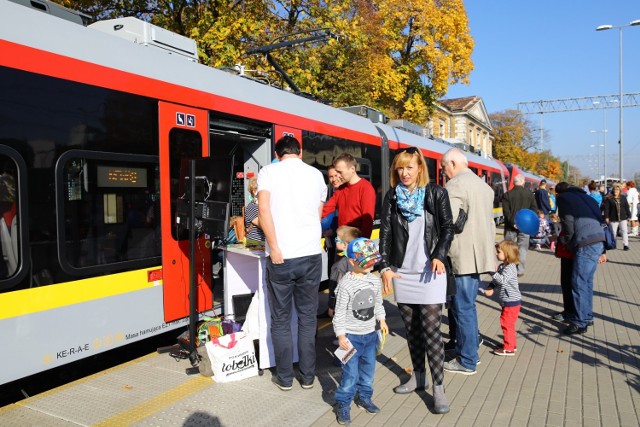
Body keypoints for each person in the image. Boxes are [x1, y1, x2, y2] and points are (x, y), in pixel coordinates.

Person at [379, 147, 454, 413]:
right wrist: (385, 266)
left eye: (409, 167)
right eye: (400, 167)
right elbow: (385, 233)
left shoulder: (436, 194)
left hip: (431, 272)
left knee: (431, 331)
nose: (404, 173)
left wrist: (439, 255)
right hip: (404, 272)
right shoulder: (392, 197)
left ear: (420, 167)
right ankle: (418, 377)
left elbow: (447, 228)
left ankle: (439, 388)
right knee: (412, 331)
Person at [257, 136, 327, 391]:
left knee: (281, 318)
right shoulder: (316, 175)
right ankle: (308, 377)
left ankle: (285, 377)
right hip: (310, 255)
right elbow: (318, 213)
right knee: (308, 318)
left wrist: (274, 246)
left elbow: (263, 210)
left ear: (277, 153)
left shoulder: (268, 172)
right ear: (300, 152)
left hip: (281, 257)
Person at [441, 148, 495, 376]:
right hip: (478, 255)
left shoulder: (455, 185)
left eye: (444, 167)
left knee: (462, 307)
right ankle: (469, 350)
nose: (444, 173)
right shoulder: (483, 186)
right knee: (468, 306)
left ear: (453, 163)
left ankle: (467, 360)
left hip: (462, 255)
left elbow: (448, 222)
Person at [333, 238, 388, 425]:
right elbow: (338, 313)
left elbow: (378, 303)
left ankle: (364, 397)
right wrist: (340, 335)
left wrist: (382, 319)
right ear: (351, 262)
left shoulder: (374, 280)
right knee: (350, 374)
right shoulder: (345, 285)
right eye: (365, 261)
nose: (370, 265)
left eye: (372, 261)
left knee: (368, 372)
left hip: (371, 336)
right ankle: (343, 403)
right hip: (350, 339)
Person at [555, 182, 607, 334]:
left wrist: (568, 242)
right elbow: (599, 219)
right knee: (587, 282)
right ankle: (587, 316)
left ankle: (580, 321)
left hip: (584, 242)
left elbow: (567, 222)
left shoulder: (564, 198)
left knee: (578, 282)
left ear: (559, 193)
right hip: (598, 239)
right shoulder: (589, 198)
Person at [322, 153, 376, 238]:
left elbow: (367, 222)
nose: (338, 176)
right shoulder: (341, 189)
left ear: (352, 169)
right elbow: (326, 209)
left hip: (356, 244)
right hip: (342, 243)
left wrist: (361, 245)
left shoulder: (366, 188)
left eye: (340, 172)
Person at [484, 240, 521, 356]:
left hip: (512, 301)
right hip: (507, 301)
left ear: (507, 254)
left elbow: (502, 280)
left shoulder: (511, 268)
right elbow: (497, 280)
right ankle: (511, 344)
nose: (496, 254)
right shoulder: (502, 266)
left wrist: (491, 272)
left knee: (506, 323)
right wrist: (491, 286)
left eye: (498, 252)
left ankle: (509, 348)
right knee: (509, 324)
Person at [501, 174, 538, 276]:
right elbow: (534, 211)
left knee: (509, 248)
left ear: (513, 182)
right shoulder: (530, 195)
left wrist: (513, 223)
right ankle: (520, 270)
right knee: (522, 248)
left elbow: (506, 212)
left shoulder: (507, 195)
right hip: (525, 227)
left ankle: (509, 269)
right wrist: (524, 223)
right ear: (523, 182)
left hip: (510, 226)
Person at [325, 225, 361, 319]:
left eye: (336, 239)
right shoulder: (359, 260)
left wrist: (331, 306)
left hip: (343, 306)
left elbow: (334, 286)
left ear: (344, 244)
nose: (334, 241)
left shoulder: (339, 265)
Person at [602, 183, 631, 251]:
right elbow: (606, 208)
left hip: (622, 217)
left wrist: (629, 215)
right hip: (613, 218)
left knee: (624, 231)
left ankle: (625, 245)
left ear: (620, 191)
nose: (616, 192)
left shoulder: (623, 198)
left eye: (617, 190)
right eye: (615, 190)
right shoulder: (609, 198)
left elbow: (626, 207)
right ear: (613, 190)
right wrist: (606, 217)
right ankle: (613, 244)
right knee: (613, 232)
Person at [244, 177, 265, 246]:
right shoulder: (252, 207)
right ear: (254, 191)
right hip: (256, 244)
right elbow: (263, 224)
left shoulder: (263, 205)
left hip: (264, 243)